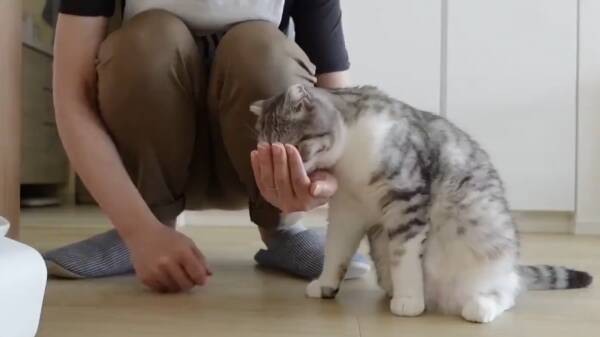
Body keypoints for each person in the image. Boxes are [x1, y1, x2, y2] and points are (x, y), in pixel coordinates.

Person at [45, 0, 369, 293]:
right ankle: (149, 224)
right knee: (150, 40)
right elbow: (74, 98)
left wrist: (325, 179)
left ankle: (282, 230)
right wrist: (138, 231)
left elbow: (338, 103)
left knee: (260, 47)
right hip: (147, 167)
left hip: (254, 169)